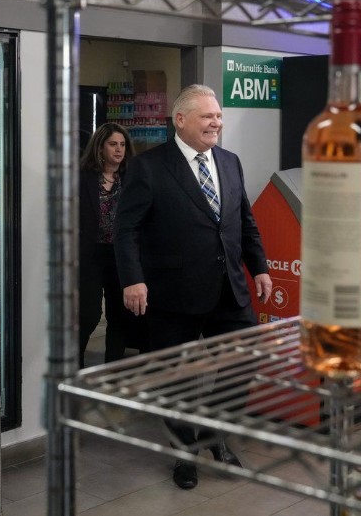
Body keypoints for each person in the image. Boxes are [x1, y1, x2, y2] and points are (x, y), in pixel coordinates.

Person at [114, 84, 272, 490]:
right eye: (207, 116)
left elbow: (244, 221)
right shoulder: (148, 167)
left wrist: (260, 268)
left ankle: (213, 438)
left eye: (218, 116)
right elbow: (126, 229)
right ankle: (184, 454)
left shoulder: (230, 162)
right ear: (180, 120)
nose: (216, 122)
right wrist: (133, 279)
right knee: (173, 377)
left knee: (243, 361)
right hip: (172, 293)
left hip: (228, 290)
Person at [79, 122, 144, 368]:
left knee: (119, 316)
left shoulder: (133, 177)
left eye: (122, 145)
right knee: (88, 315)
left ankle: (112, 370)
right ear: (100, 147)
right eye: (112, 144)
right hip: (91, 254)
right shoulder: (83, 177)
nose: (118, 150)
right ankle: (75, 367)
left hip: (121, 255)